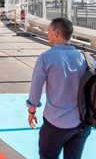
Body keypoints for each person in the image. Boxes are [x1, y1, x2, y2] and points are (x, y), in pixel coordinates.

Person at [27, 18, 94, 159]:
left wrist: (32, 110)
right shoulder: (87, 58)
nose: (48, 34)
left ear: (56, 34)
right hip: (83, 123)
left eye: (49, 31)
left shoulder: (46, 57)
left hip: (56, 123)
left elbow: (36, 88)